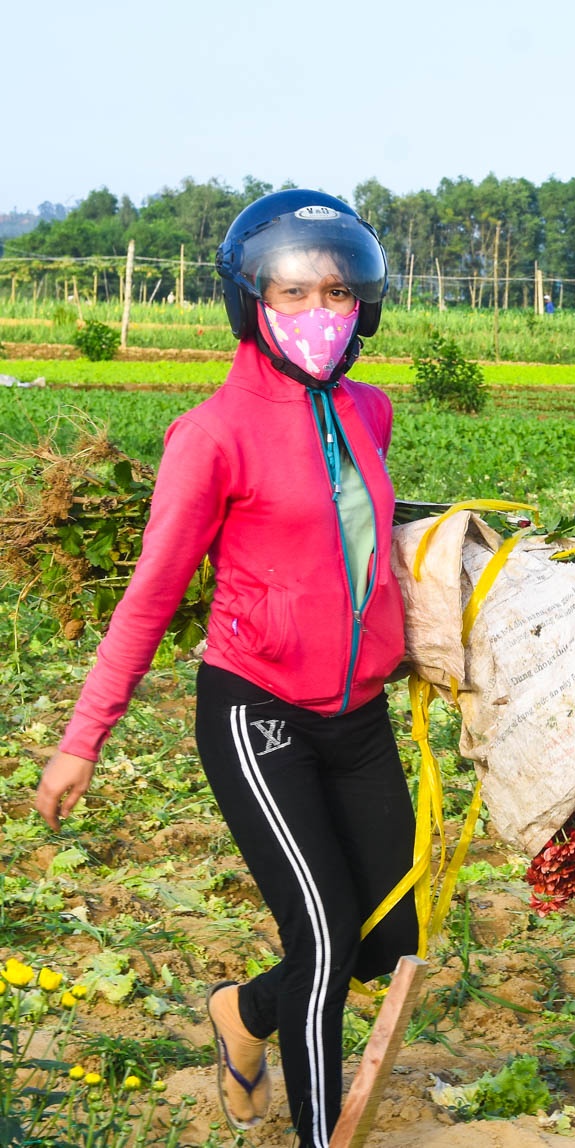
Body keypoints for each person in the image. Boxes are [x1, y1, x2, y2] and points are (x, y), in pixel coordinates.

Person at [35, 189, 419, 1148]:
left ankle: (244, 1015)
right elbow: (153, 594)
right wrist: (83, 739)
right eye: (294, 294)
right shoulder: (212, 434)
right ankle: (322, 1136)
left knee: (386, 934)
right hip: (259, 715)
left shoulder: (365, 410)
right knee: (324, 940)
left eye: (337, 292)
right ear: (252, 302)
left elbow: (367, 541)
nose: (319, 313)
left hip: (358, 714)